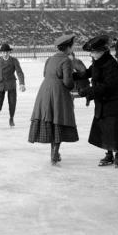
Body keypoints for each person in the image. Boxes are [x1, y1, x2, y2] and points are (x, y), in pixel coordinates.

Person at [76, 35, 118, 167]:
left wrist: (87, 91)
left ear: (102, 51)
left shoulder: (111, 64)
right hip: (103, 101)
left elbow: (107, 86)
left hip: (116, 102)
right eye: (91, 52)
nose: (92, 54)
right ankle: (109, 155)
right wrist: (73, 76)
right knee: (105, 128)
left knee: (114, 128)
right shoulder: (98, 61)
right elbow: (89, 72)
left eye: (94, 52)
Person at [28, 34, 79, 165]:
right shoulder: (66, 60)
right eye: (72, 46)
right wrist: (73, 81)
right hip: (58, 93)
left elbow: (45, 74)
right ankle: (55, 152)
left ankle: (54, 152)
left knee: (50, 120)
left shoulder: (50, 59)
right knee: (59, 121)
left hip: (45, 91)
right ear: (68, 47)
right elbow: (68, 83)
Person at [0, 42, 25, 128]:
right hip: (0, 84)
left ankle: (11, 118)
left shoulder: (14, 60)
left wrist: (21, 83)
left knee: (12, 102)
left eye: (7, 52)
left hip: (11, 84)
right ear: (1, 53)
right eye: (3, 52)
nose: (5, 54)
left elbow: (19, 72)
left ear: (9, 52)